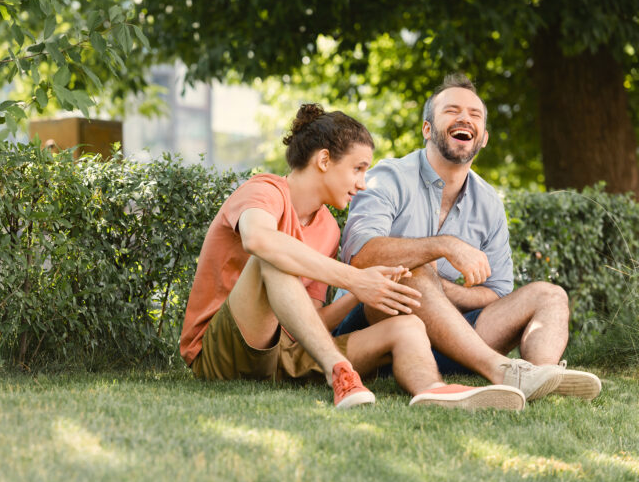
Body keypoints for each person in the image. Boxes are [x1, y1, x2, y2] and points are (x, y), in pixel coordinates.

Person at [180, 103, 527, 410]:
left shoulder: (329, 227)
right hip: (219, 354)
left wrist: (364, 291)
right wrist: (353, 279)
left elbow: (312, 323)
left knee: (407, 326)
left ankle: (435, 390)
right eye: (358, 169)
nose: (363, 183)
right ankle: (339, 373)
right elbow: (259, 240)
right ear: (324, 160)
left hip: (286, 355)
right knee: (275, 257)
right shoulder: (264, 191)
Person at [333, 73, 601, 401]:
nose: (464, 118)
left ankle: (541, 376)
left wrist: (440, 290)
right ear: (427, 129)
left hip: (451, 342)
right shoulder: (388, 178)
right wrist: (442, 248)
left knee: (550, 295)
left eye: (474, 115)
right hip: (375, 329)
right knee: (413, 269)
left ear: (483, 138)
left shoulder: (488, 202)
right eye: (452, 111)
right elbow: (360, 257)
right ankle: (502, 369)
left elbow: (498, 293)